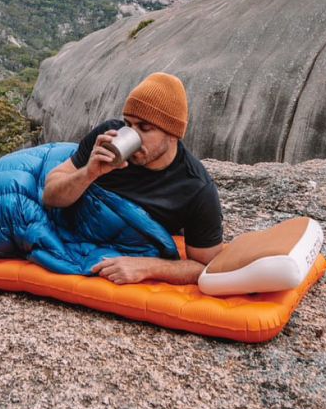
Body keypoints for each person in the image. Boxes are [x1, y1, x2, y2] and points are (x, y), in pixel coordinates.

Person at [42, 71, 224, 284]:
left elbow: (206, 267)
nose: (132, 134)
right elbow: (50, 197)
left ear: (173, 134)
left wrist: (148, 267)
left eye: (145, 128)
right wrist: (89, 173)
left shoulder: (196, 188)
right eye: (128, 124)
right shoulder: (108, 137)